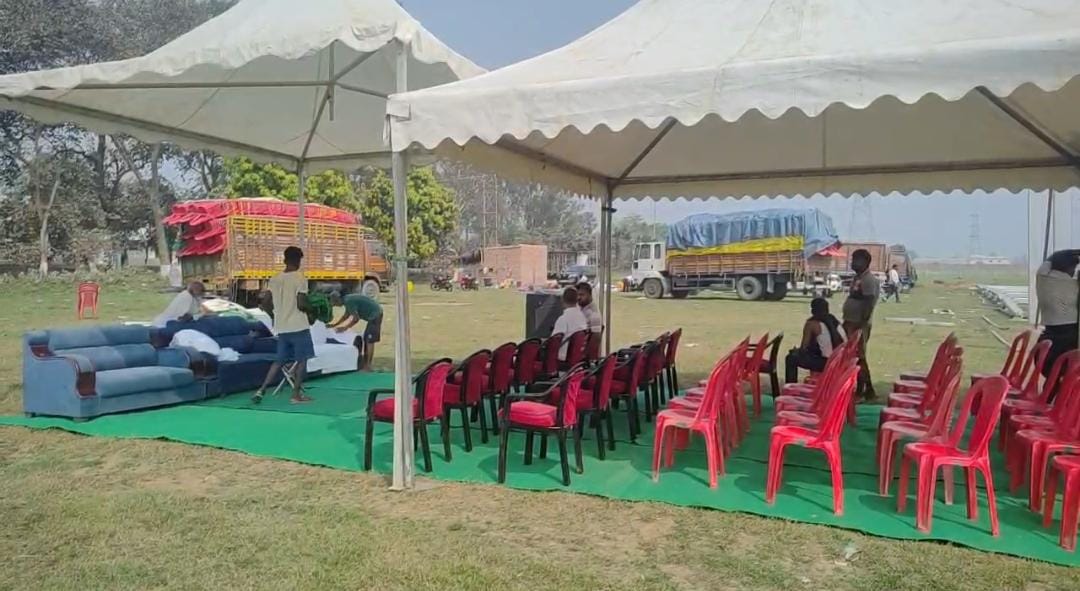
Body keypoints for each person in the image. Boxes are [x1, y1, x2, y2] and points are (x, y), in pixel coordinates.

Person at [252, 246, 314, 404]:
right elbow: (301, 303)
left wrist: (274, 316)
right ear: (298, 260)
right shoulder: (300, 278)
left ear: (285, 260)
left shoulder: (275, 279)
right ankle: (296, 395)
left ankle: (261, 390)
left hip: (282, 327)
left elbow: (265, 302)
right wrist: (311, 311)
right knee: (302, 360)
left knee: (279, 360)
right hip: (299, 326)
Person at [842, 249, 880, 401]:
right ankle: (864, 388)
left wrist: (861, 323)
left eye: (856, 260)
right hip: (851, 321)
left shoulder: (869, 280)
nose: (853, 263)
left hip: (858, 324)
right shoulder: (858, 278)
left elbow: (869, 302)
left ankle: (865, 390)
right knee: (854, 356)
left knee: (859, 357)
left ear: (865, 262)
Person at [1036, 249, 1080, 381]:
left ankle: (1051, 390)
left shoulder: (1042, 277)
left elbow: (1051, 259)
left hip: (1050, 333)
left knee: (1053, 375)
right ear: (1068, 268)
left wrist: (1075, 252)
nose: (1073, 272)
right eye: (1073, 268)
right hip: (1069, 335)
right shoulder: (1072, 285)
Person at [785, 298, 846, 383]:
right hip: (840, 360)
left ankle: (790, 385)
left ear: (813, 310)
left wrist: (796, 351)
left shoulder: (811, 324)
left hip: (826, 363)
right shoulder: (835, 321)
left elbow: (803, 348)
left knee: (791, 359)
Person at [328, 292, 383, 372]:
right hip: (374, 314)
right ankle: (366, 365)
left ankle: (368, 366)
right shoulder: (347, 300)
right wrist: (335, 325)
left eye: (335, 304)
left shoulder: (348, 301)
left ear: (337, 300)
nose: (336, 306)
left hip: (375, 314)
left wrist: (345, 328)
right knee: (366, 338)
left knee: (369, 340)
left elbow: (356, 318)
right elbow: (346, 316)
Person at [552, 286, 588, 361]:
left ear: (562, 300)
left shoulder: (563, 319)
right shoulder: (582, 317)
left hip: (563, 356)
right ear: (577, 300)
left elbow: (553, 343)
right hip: (578, 356)